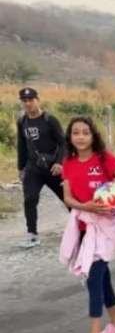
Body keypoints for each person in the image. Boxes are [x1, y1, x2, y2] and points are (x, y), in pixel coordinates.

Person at [61, 117, 115, 333]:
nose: (80, 137)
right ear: (70, 137)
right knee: (101, 277)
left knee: (94, 279)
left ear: (93, 135)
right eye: (75, 133)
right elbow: (68, 198)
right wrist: (87, 206)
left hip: (109, 227)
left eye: (85, 132)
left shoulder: (104, 158)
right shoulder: (69, 162)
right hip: (86, 226)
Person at [16, 87, 66, 249]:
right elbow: (21, 145)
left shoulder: (49, 119)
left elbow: (63, 143)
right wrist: (21, 167)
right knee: (30, 199)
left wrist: (60, 163)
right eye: (25, 101)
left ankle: (84, 226)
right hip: (33, 168)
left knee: (68, 198)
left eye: (31, 100)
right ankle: (32, 234)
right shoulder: (22, 121)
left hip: (53, 168)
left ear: (38, 100)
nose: (28, 103)